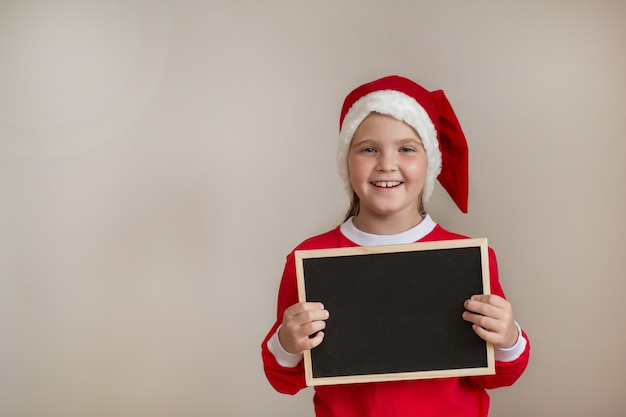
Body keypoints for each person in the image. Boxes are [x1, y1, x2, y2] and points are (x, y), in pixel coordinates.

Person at [261, 75, 530, 417]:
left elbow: (499, 374)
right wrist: (288, 342)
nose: (387, 164)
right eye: (369, 148)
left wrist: (508, 338)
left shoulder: (468, 258)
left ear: (429, 161)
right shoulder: (309, 260)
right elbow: (283, 378)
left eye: (406, 148)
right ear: (347, 161)